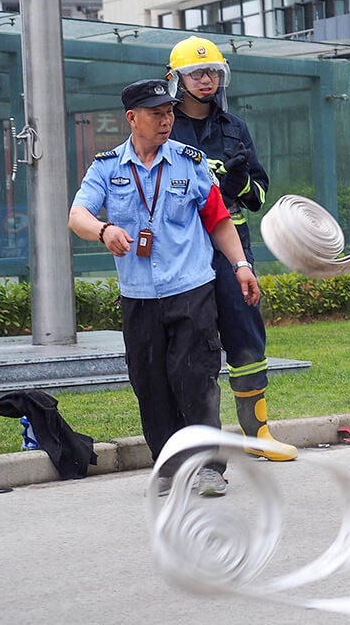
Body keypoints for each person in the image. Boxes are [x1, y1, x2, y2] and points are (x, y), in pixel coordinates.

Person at [69, 79, 262, 497]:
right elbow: (78, 214)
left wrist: (241, 266)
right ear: (132, 118)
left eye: (170, 112)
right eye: (157, 113)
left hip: (191, 289)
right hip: (139, 296)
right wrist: (103, 230)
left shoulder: (189, 162)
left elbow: (218, 220)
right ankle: (171, 467)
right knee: (151, 384)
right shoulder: (106, 167)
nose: (166, 120)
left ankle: (210, 467)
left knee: (195, 379)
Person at [166, 36, 298, 464]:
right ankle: (200, 446)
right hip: (184, 249)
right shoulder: (165, 124)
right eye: (197, 73)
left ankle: (258, 435)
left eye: (213, 72)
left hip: (233, 250)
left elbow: (257, 193)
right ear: (178, 80)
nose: (206, 80)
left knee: (245, 338)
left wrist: (237, 181)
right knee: (193, 345)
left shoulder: (234, 127)